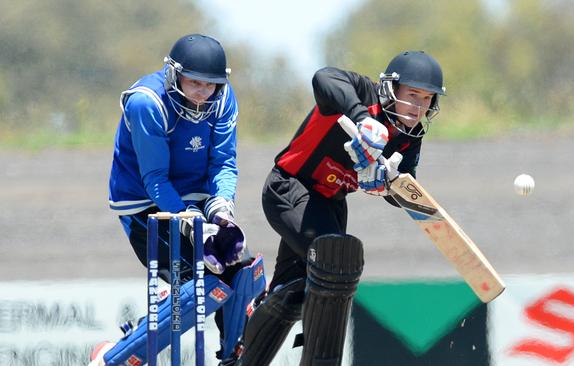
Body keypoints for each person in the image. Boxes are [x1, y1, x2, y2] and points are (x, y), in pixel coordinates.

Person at [235, 50, 446, 365]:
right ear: (391, 88)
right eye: (412, 95)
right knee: (337, 262)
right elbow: (323, 77)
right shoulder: (363, 93)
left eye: (427, 99)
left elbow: (402, 190)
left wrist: (387, 183)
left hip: (329, 204)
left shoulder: (409, 135)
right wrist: (363, 120)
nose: (418, 107)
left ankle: (241, 354)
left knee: (292, 292)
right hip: (289, 188)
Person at [89, 34, 266, 366]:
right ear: (174, 74)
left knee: (243, 271)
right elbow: (154, 178)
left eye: (209, 85)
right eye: (193, 82)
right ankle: (111, 358)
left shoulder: (224, 98)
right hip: (144, 202)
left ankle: (234, 356)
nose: (202, 92)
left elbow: (224, 163)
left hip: (193, 193)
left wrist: (221, 210)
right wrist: (191, 223)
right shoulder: (148, 103)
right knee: (204, 284)